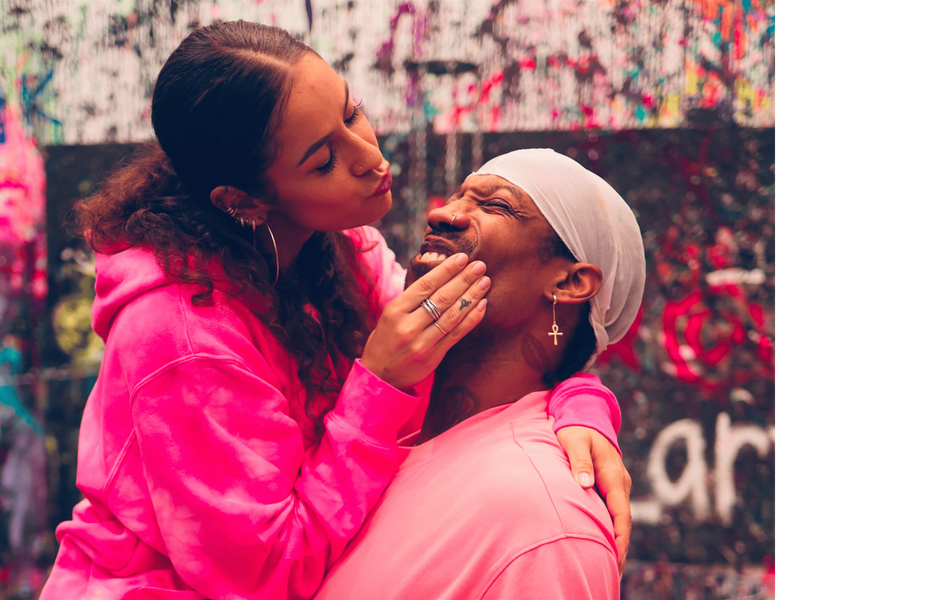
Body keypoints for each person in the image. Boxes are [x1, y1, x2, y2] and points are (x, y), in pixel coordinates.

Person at [40, 21, 630, 600]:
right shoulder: (179, 333)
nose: (370, 157)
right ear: (244, 199)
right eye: (323, 160)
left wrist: (580, 402)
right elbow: (265, 577)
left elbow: (476, 353)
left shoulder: (341, 245)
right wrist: (380, 383)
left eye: (352, 114)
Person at [314, 149, 645, 599]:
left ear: (569, 283)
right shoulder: (384, 426)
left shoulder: (544, 525)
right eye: (458, 196)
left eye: (496, 205)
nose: (442, 213)